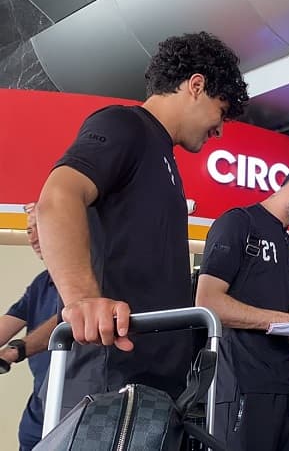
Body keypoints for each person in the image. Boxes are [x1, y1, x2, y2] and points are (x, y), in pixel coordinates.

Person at [36, 31, 248, 410]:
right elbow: (58, 197)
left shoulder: (163, 157)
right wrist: (82, 299)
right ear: (196, 86)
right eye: (221, 111)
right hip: (110, 379)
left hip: (154, 387)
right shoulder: (124, 125)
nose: (219, 129)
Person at [196, 153, 289, 451]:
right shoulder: (238, 223)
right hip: (240, 387)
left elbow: (264, 317)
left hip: (282, 387)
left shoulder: (288, 249)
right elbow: (207, 303)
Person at [0, 203, 59, 450]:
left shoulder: (92, 277)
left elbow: (66, 322)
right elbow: (9, 322)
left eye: (39, 228)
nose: (33, 238)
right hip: (39, 413)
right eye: (28, 231)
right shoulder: (41, 283)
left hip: (74, 408)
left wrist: (15, 351)